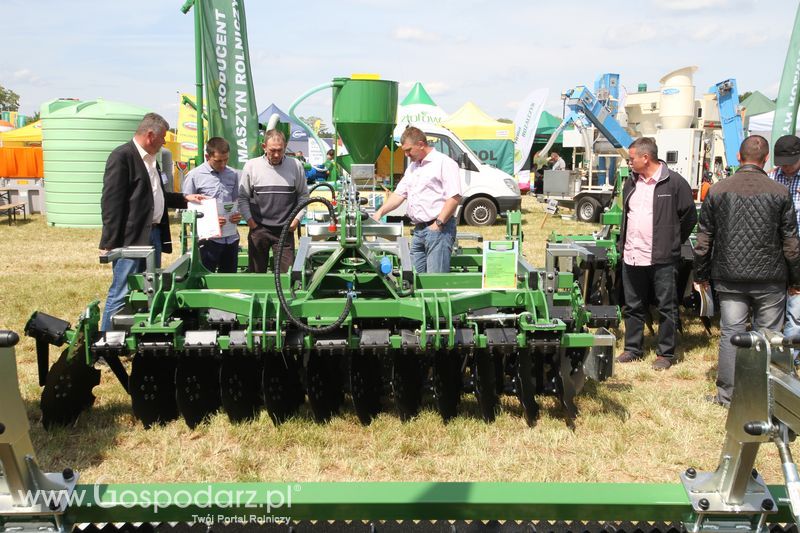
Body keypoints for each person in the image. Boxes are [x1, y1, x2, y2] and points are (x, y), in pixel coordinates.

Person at [695, 135, 800, 406]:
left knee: (731, 334)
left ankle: (727, 396)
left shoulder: (718, 190)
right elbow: (790, 242)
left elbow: (704, 238)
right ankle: (765, 396)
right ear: (766, 160)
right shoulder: (779, 192)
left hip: (729, 276)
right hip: (770, 278)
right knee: (769, 338)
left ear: (739, 158)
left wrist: (701, 275)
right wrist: (796, 279)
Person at [99, 113, 205, 331]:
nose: (164, 142)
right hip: (132, 238)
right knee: (123, 290)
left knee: (150, 289)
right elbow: (111, 202)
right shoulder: (122, 157)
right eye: (163, 138)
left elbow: (158, 196)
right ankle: (106, 342)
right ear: (150, 135)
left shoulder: (150, 161)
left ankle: (136, 335)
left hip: (153, 235)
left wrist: (185, 198)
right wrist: (109, 241)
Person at [617, 137, 697, 370]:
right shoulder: (631, 182)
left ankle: (666, 354)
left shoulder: (674, 183)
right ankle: (633, 349)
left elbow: (689, 216)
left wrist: (672, 242)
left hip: (662, 258)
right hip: (632, 254)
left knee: (666, 306)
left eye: (631, 158)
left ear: (646, 158)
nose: (629, 162)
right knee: (632, 305)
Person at [371, 126, 462, 273]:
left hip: (439, 228)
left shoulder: (444, 163)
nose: (406, 154)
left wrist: (438, 223)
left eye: (408, 150)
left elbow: (454, 197)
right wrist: (379, 212)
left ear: (420, 144)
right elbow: (399, 194)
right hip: (419, 230)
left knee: (434, 281)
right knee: (412, 277)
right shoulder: (413, 167)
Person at [238, 129, 308, 273]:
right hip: (259, 229)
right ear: (264, 147)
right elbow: (243, 197)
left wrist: (296, 220)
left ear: (285, 146)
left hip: (285, 229)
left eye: (280, 150)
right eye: (272, 150)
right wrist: (251, 222)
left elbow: (303, 196)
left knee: (286, 277)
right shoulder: (252, 166)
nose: (276, 154)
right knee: (256, 275)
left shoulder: (295, 166)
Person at [181, 137, 241, 273]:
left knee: (229, 279)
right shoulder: (194, 175)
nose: (223, 164)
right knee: (206, 278)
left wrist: (237, 215)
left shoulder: (232, 174)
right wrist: (210, 221)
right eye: (218, 161)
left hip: (230, 238)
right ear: (207, 156)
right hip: (208, 239)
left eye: (226, 160)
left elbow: (235, 201)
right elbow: (188, 208)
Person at [770, 134, 800, 351]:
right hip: (775, 251)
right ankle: (770, 353)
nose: (786, 168)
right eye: (782, 164)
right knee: (771, 306)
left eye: (790, 164)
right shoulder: (771, 178)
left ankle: (792, 355)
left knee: (797, 307)